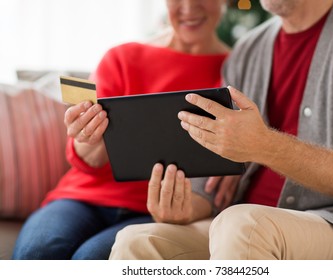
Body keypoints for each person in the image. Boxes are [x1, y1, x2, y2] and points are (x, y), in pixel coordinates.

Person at [109, 0, 333, 260]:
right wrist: (186, 208)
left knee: (242, 225)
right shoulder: (248, 49)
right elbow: (213, 181)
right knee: (136, 241)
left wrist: (265, 146)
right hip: (241, 224)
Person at [12, 0, 229, 260]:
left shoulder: (236, 70)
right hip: (82, 198)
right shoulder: (123, 57)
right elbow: (90, 159)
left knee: (90, 259)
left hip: (152, 211)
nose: (189, 7)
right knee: (36, 253)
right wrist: (86, 135)